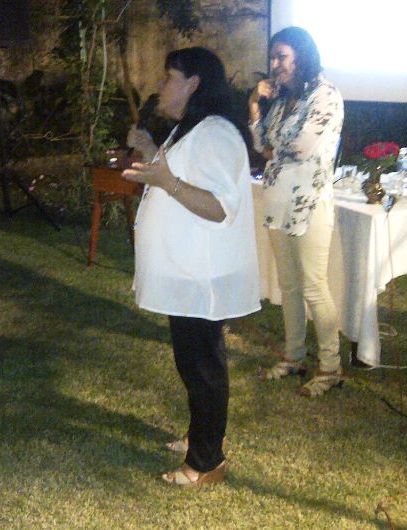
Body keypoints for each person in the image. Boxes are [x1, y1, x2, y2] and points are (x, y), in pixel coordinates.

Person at [123, 47, 260, 487]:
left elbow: (219, 206)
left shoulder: (215, 133)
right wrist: (150, 150)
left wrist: (168, 182)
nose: (161, 85)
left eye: (169, 77)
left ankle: (206, 462)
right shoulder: (193, 128)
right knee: (195, 363)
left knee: (202, 367)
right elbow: (180, 175)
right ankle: (202, 434)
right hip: (187, 268)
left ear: (193, 83)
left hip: (201, 271)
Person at [248, 27, 344, 397]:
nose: (275, 65)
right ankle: (294, 356)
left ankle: (331, 367)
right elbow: (261, 143)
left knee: (314, 286)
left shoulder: (325, 95)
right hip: (278, 200)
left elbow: (301, 147)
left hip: (309, 203)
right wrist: (255, 107)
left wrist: (272, 148)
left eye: (282, 57)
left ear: (301, 56)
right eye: (273, 57)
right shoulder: (284, 99)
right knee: (288, 285)